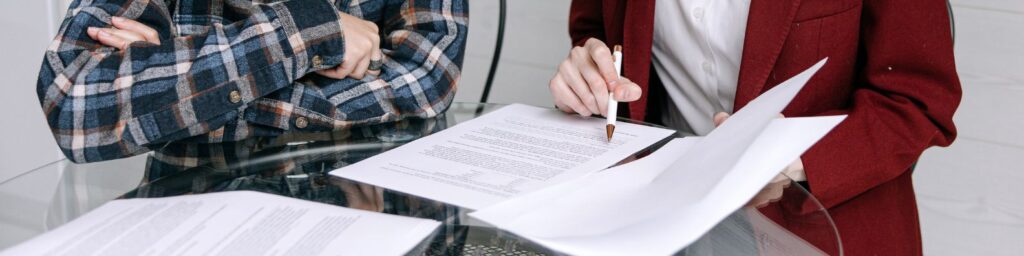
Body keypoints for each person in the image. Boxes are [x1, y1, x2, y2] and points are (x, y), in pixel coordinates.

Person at [550, 0, 960, 254]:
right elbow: (596, 32)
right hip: (656, 218)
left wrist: (794, 156)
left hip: (820, 228)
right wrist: (588, 71)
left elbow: (919, 99)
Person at [36, 0, 468, 163]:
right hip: (194, 221)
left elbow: (426, 82)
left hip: (361, 208)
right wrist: (307, 30)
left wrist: (176, 70)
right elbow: (76, 108)